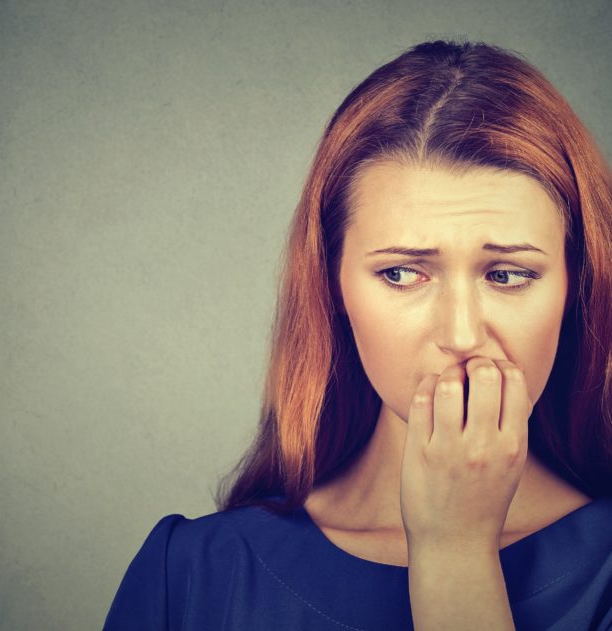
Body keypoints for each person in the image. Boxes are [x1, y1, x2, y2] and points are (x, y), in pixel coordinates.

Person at [102, 39, 612, 630]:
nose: (462, 334)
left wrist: (455, 554)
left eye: (508, 274)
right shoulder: (191, 573)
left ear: (578, 289)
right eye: (401, 273)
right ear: (332, 287)